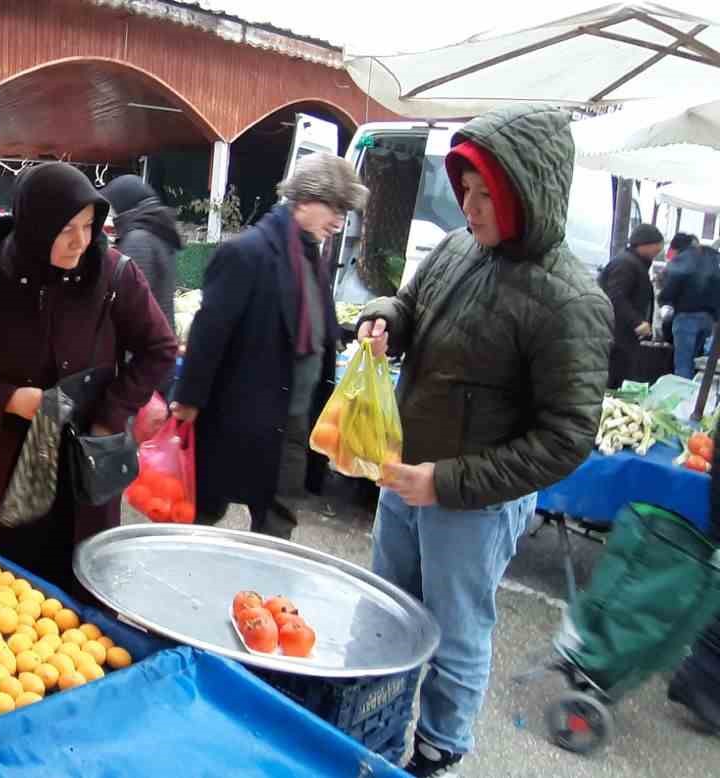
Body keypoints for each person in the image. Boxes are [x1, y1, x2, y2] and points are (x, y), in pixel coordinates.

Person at [356, 105, 611, 776]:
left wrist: (446, 482)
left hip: (472, 505)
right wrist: (383, 320)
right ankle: (372, 723)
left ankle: (439, 751)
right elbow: (409, 309)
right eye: (463, 191)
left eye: (482, 194)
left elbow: (566, 438)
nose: (468, 207)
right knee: (387, 612)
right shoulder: (455, 248)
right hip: (402, 475)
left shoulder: (570, 300)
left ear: (526, 193)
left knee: (456, 632)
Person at [0, 162, 176, 597]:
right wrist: (9, 398)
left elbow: (158, 348)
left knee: (75, 598)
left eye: (89, 225)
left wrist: (111, 413)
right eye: (66, 227)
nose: (80, 241)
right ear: (35, 225)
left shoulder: (113, 274)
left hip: (80, 466)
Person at [170, 153, 365, 540]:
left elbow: (314, 327)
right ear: (306, 199)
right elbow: (210, 333)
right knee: (202, 514)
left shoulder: (313, 257)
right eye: (336, 208)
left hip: (289, 423)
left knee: (278, 523)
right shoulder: (247, 252)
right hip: (236, 416)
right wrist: (188, 401)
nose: (340, 221)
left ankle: (264, 600)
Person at [102, 174, 182, 375]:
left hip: (142, 357)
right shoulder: (159, 233)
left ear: (124, 205)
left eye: (112, 205)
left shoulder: (138, 240)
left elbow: (130, 306)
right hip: (159, 349)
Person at [597, 223, 663, 388]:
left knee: (619, 375)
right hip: (615, 336)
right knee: (613, 377)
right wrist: (637, 322)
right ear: (644, 244)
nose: (660, 249)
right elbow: (615, 297)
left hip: (622, 336)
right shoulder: (626, 264)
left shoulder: (635, 263)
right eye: (657, 244)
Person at [660, 233, 720, 379]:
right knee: (699, 363)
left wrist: (663, 300)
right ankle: (696, 398)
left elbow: (670, 289)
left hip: (686, 316)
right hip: (708, 320)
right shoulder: (712, 260)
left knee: (683, 364)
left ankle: (683, 398)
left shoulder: (685, 259)